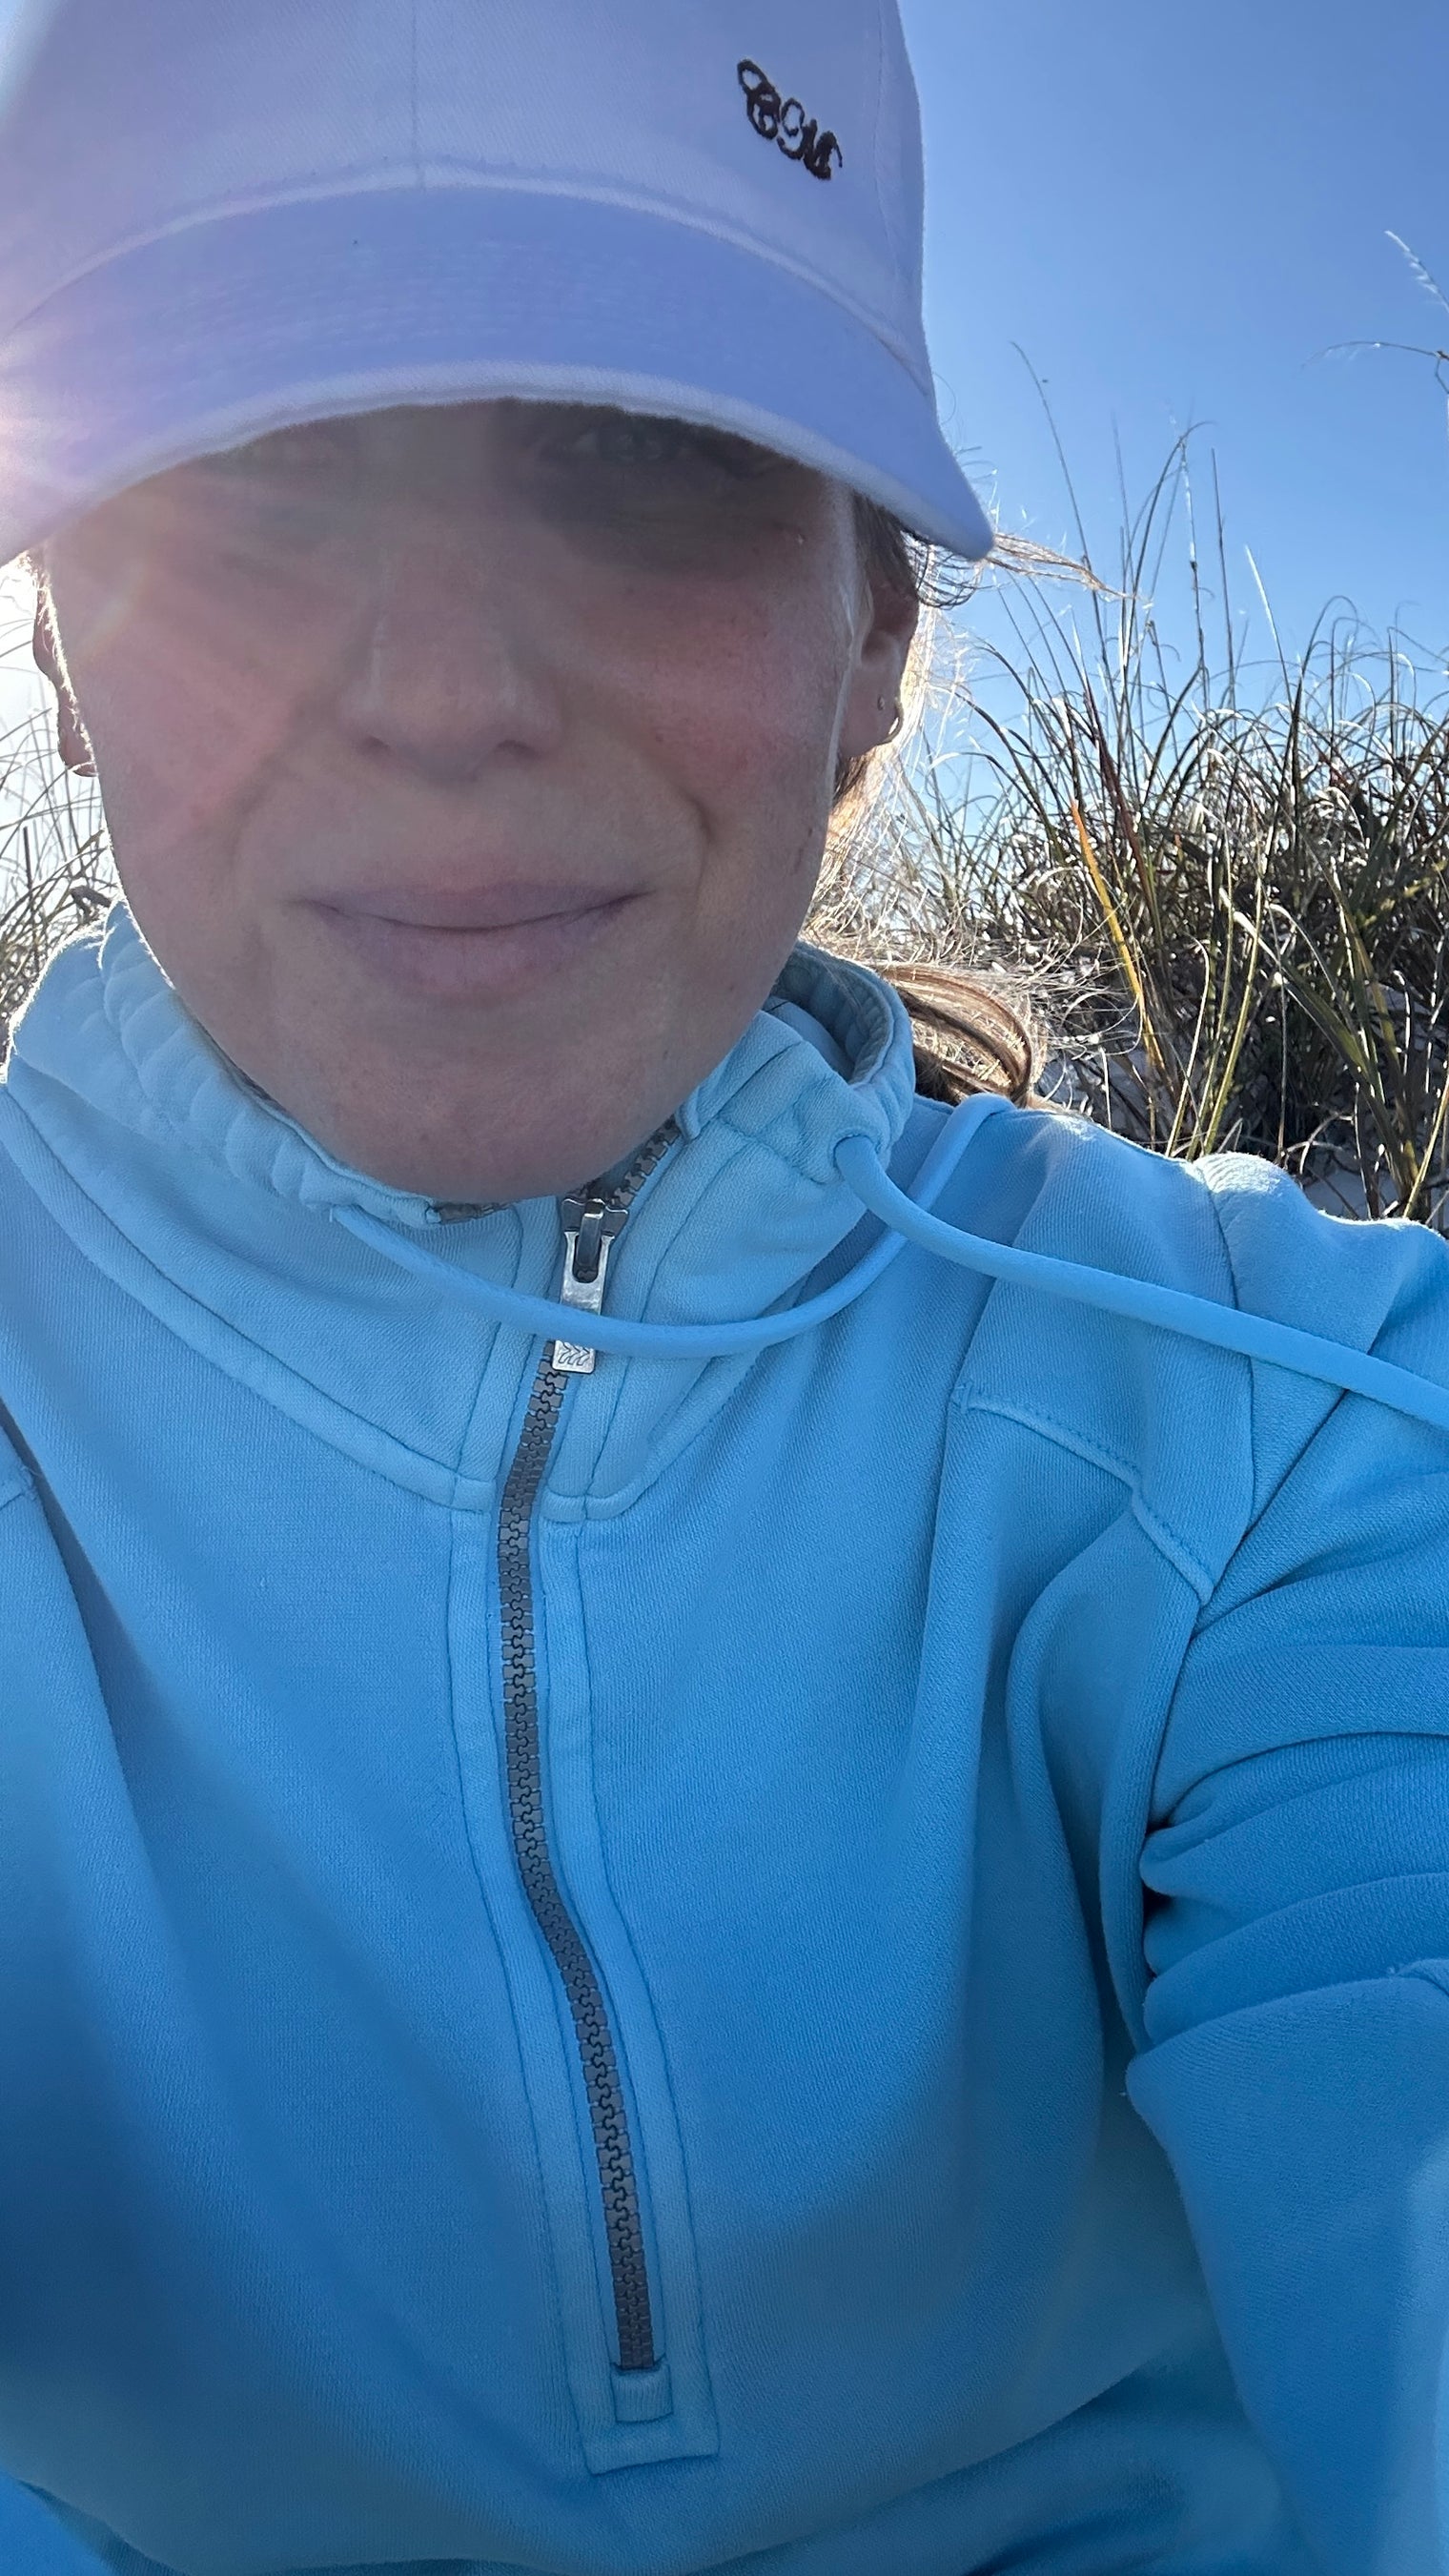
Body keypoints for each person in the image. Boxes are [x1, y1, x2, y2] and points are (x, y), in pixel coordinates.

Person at [1, 4, 1447, 2573]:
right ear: (57, 652)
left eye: (637, 465)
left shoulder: (1301, 1428)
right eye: (251, 479)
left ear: (872, 630)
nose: (444, 696)